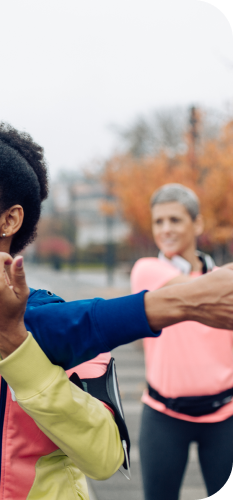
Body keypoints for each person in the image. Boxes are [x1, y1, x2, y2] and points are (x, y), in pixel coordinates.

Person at [0, 124, 233, 499]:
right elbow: (24, 330)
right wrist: (174, 303)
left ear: (10, 220)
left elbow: (104, 459)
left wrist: (16, 343)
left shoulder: (67, 320)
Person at [131, 183, 233, 500]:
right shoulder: (147, 271)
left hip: (225, 417)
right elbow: (199, 289)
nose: (165, 229)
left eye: (174, 220)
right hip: (164, 416)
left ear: (197, 224)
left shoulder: (220, 279)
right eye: (158, 221)